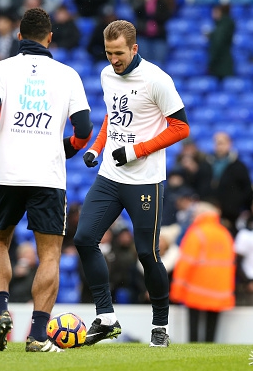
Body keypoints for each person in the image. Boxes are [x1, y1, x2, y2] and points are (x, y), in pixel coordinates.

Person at [0, 8, 93, 353]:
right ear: (49, 38)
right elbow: (84, 129)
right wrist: (67, 149)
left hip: (7, 171)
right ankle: (38, 336)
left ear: (19, 37)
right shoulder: (67, 74)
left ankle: (2, 311)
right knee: (50, 256)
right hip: (47, 173)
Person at [73, 19, 190, 348]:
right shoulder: (106, 75)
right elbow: (113, 115)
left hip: (145, 181)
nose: (114, 60)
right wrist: (97, 147)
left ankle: (160, 327)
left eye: (119, 53)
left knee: (147, 253)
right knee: (83, 239)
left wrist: (136, 150)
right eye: (109, 53)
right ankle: (107, 317)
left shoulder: (157, 80)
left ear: (135, 48)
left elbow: (181, 128)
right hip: (110, 175)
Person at [170, 201, 235, 342]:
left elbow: (185, 263)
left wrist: (177, 289)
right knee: (211, 332)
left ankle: (194, 350)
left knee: (193, 330)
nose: (192, 217)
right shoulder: (224, 233)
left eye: (194, 214)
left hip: (196, 288)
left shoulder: (196, 233)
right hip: (219, 289)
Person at [206, 131, 253, 236]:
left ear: (229, 144)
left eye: (221, 143)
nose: (219, 146)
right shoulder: (207, 164)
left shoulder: (239, 166)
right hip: (210, 213)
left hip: (231, 216)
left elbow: (246, 190)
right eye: (217, 143)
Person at [132, 0, 172, 64]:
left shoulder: (161, 0)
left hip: (158, 36)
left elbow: (165, 16)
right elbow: (136, 12)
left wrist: (153, 13)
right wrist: (145, 0)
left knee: (158, 64)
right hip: (143, 34)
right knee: (144, 64)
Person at [207, 4, 235, 80]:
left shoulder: (221, 27)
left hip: (220, 66)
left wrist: (211, 63)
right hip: (224, 64)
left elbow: (217, 44)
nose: (212, 15)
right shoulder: (224, 25)